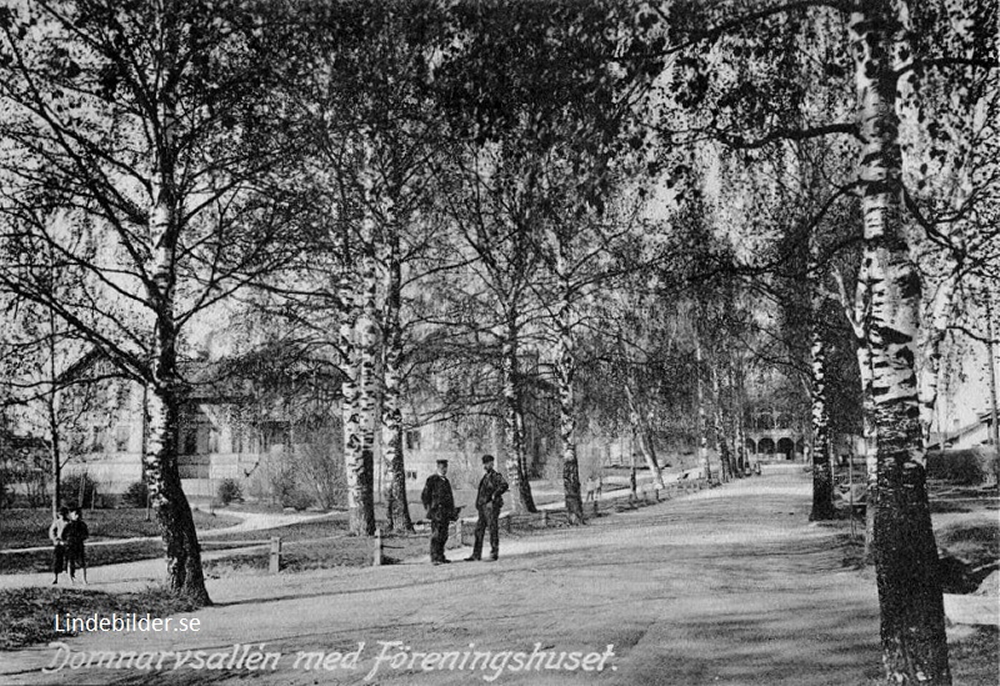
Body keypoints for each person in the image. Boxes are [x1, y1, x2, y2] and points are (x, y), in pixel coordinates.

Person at [465, 454, 508, 562]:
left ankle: (494, 553)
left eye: (490, 463)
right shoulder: (485, 477)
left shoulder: (496, 476)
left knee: (493, 530)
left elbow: (504, 485)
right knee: (479, 530)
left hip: (491, 507)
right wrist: (478, 504)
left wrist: (495, 494)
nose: (488, 465)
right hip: (483, 508)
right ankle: (476, 554)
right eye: (486, 463)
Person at [421, 459, 456, 565]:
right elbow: (425, 496)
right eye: (441, 467)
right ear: (437, 468)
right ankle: (434, 557)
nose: (444, 469)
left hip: (445, 512)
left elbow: (450, 498)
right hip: (436, 512)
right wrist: (429, 509)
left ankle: (441, 555)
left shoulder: (446, 481)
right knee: (436, 534)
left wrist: (452, 511)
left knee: (444, 535)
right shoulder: (432, 479)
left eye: (445, 467)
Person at [65, 508, 89, 584]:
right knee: (70, 562)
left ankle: (84, 579)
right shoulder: (68, 525)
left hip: (79, 545)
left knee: (82, 562)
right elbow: (63, 535)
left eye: (78, 514)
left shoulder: (82, 525)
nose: (77, 516)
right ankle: (70, 579)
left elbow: (86, 535)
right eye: (75, 514)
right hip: (71, 545)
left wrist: (80, 538)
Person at [48, 508, 69, 585]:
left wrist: (67, 541)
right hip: (59, 544)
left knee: (68, 560)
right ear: (58, 515)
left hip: (67, 543)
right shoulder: (57, 523)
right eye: (60, 515)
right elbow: (52, 532)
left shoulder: (68, 523)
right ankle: (55, 577)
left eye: (63, 514)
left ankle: (70, 575)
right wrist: (56, 540)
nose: (62, 516)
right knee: (57, 560)